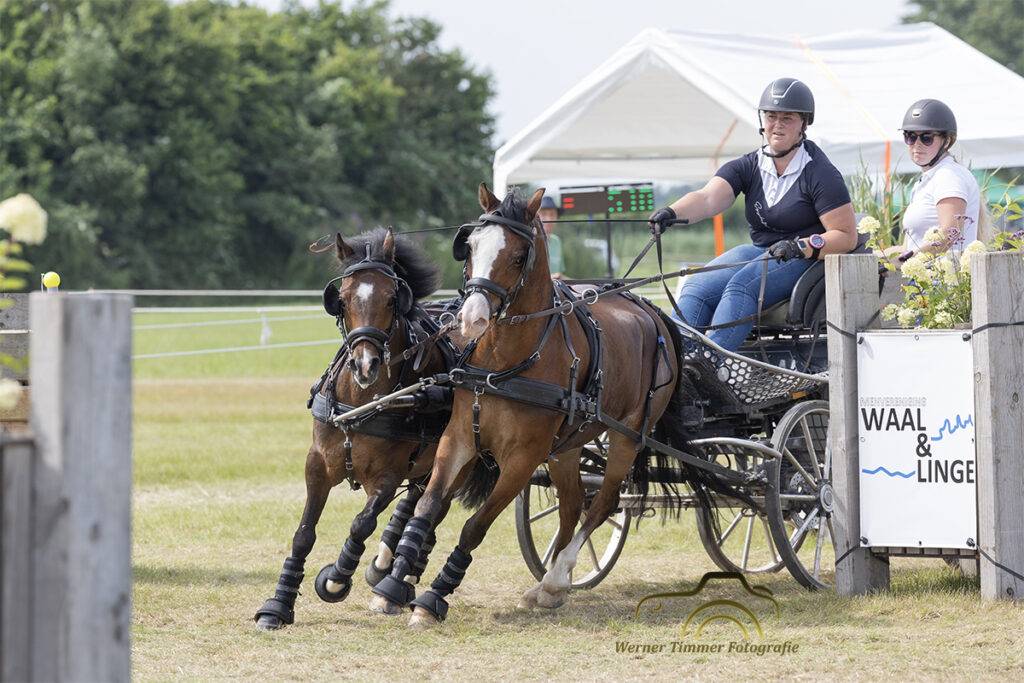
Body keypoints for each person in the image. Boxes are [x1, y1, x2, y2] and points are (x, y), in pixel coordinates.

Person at [648, 77, 857, 351]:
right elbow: (707, 197)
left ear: (804, 123)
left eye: (787, 118)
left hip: (803, 257)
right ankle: (676, 363)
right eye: (771, 116)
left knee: (742, 287)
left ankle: (711, 364)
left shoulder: (820, 173)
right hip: (760, 250)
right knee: (696, 286)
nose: (777, 125)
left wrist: (800, 246)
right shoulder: (749, 165)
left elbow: (845, 236)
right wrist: (672, 212)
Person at [889, 99, 982, 261]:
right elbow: (909, 247)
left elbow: (949, 234)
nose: (917, 144)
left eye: (926, 138)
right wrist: (877, 256)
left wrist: (907, 259)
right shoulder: (927, 180)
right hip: (923, 273)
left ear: (947, 141)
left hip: (945, 275)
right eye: (910, 136)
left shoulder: (949, 176)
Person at [538, 195, 564, 278]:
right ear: (536, 217)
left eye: (552, 214)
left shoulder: (557, 241)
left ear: (556, 217)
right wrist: (551, 278)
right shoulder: (530, 241)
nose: (549, 219)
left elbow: (559, 275)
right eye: (544, 214)